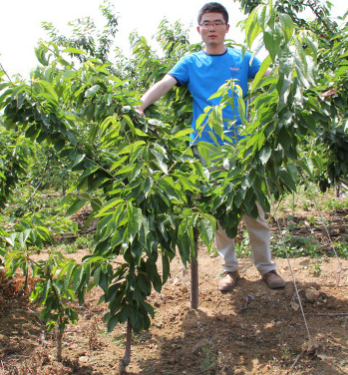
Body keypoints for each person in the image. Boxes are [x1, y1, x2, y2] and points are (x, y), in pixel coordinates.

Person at [135, 2, 285, 291]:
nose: (212, 27)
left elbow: (272, 78)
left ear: (227, 28)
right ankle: (230, 270)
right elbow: (165, 83)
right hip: (206, 148)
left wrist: (306, 92)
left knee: (255, 211)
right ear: (199, 29)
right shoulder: (191, 62)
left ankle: (266, 269)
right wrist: (140, 105)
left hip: (243, 147)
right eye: (207, 23)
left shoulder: (243, 59)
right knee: (219, 211)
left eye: (217, 22)